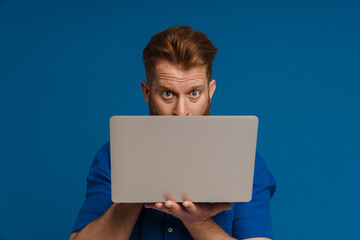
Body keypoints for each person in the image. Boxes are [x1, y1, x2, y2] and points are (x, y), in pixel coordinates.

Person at [69, 25, 276, 240]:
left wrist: (197, 221)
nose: (181, 112)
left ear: (210, 92)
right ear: (147, 93)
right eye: (168, 93)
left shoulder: (245, 162)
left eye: (194, 93)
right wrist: (138, 186)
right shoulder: (112, 157)